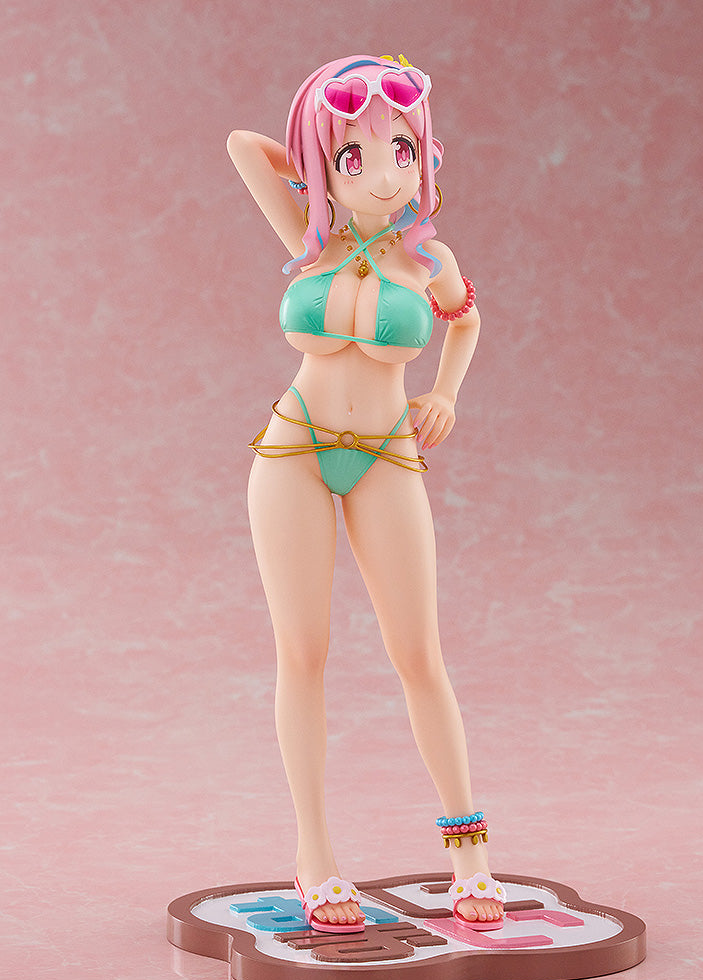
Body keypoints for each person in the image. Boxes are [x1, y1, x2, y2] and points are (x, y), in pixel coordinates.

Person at [227, 54, 504, 934]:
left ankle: (470, 851)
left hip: (385, 453)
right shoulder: (310, 237)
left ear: (426, 157)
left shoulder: (429, 259)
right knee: (303, 653)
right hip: (294, 450)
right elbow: (243, 148)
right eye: (358, 158)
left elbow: (465, 320)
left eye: (402, 151)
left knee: (418, 653)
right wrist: (319, 157)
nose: (385, 174)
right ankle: (315, 855)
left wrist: (447, 393)